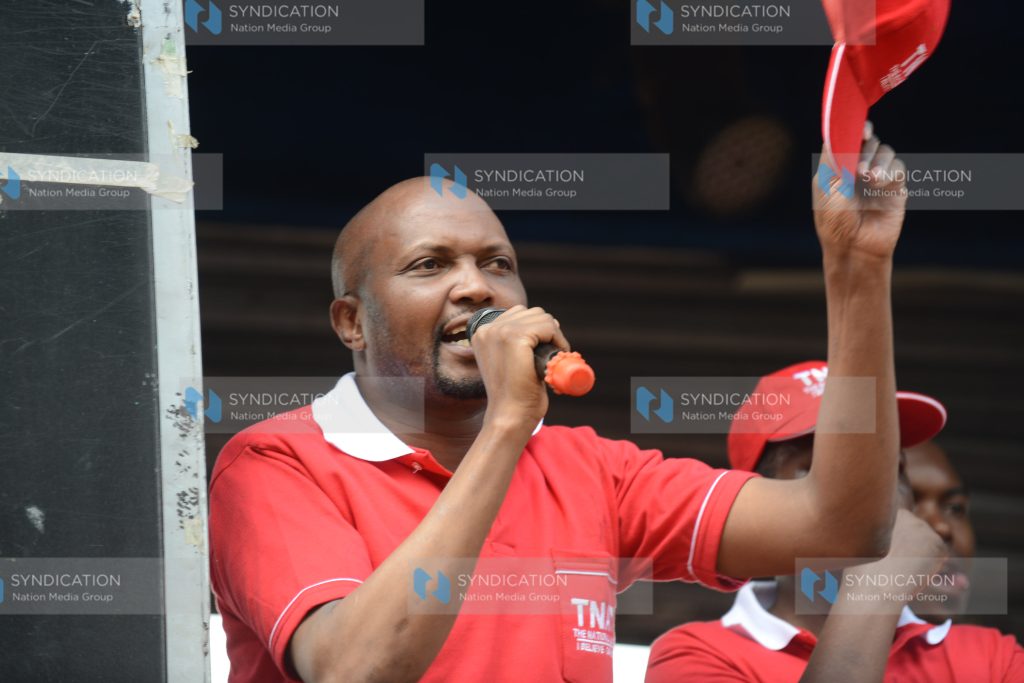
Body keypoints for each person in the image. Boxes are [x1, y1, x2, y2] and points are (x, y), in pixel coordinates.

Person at [210, 129, 912, 683]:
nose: (476, 288)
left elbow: (841, 527)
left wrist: (859, 273)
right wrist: (509, 426)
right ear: (351, 322)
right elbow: (354, 668)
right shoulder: (275, 464)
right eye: (430, 265)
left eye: (498, 263)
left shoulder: (590, 471)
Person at [645, 362, 1024, 682]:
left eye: (893, 469)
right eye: (833, 471)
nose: (877, 492)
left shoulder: (991, 658)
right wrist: (876, 591)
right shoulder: (697, 656)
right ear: (756, 501)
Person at [906, 439, 976, 619]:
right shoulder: (823, 643)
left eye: (955, 508)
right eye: (907, 506)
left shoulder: (997, 647)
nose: (942, 527)